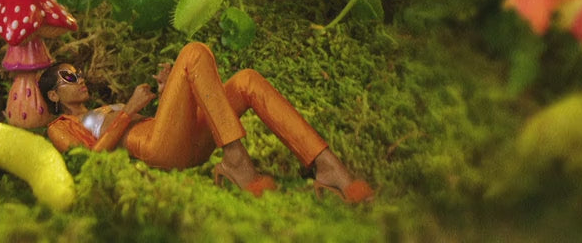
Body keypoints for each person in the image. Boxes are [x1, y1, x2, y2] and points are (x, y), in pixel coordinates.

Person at [38, 41, 372, 201]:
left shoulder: (101, 109)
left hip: (175, 137)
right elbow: (92, 162)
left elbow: (161, 120)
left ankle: (327, 165)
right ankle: (238, 163)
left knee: (246, 80)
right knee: (194, 52)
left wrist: (167, 93)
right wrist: (127, 111)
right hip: (156, 149)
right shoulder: (59, 128)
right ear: (53, 96)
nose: (79, 78)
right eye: (68, 76)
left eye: (78, 73)